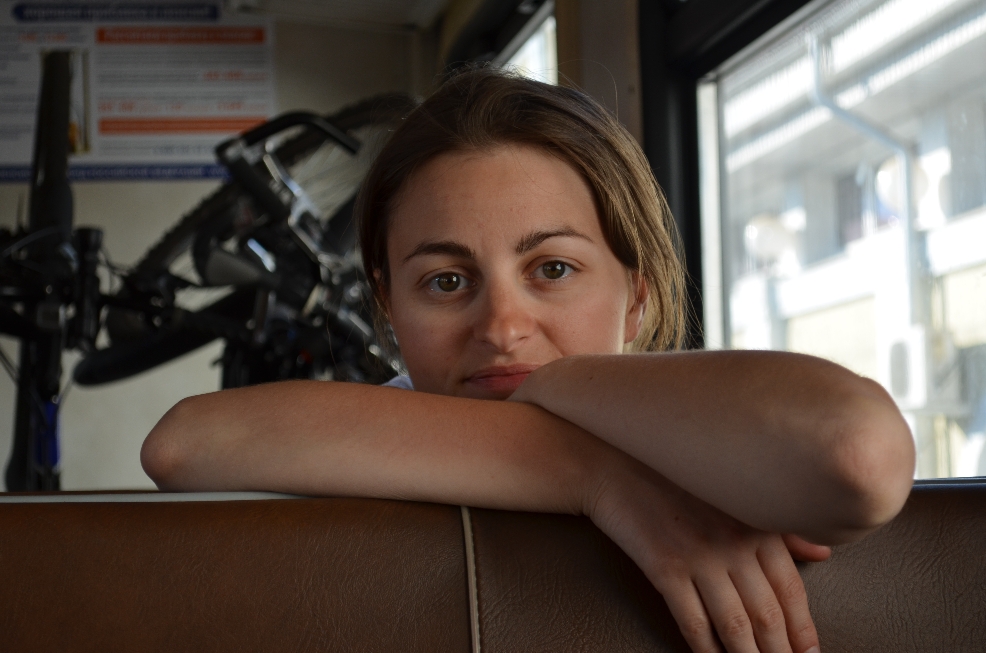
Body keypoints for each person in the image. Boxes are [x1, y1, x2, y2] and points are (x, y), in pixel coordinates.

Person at [141, 67, 915, 653]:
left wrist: (565, 382)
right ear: (389, 305)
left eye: (553, 269)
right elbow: (183, 444)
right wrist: (593, 470)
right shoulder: (375, 422)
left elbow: (855, 450)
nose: (502, 327)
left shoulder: (709, 421)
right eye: (446, 282)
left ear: (637, 294)